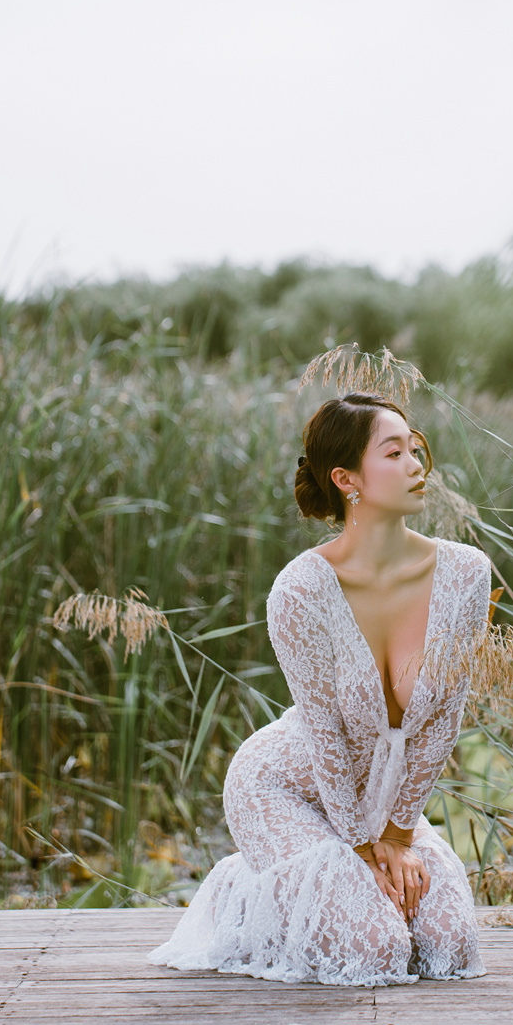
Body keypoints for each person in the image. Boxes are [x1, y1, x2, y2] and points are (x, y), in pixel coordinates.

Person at [149, 391, 490, 986]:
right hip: (286, 789)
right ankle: (247, 891)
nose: (416, 465)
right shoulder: (300, 590)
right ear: (346, 478)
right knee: (376, 949)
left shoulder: (465, 573)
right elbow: (326, 735)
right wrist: (359, 851)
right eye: (394, 453)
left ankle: (315, 884)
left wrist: (397, 837)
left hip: (380, 800)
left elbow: (444, 718)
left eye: (415, 449)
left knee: (448, 945)